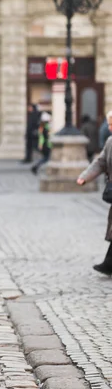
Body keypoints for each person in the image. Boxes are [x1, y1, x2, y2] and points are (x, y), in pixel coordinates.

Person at [77, 117, 112, 275]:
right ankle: (108, 264)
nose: (110, 127)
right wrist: (85, 176)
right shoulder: (110, 142)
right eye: (109, 123)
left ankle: (108, 264)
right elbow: (100, 162)